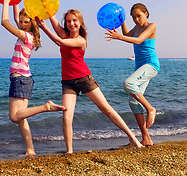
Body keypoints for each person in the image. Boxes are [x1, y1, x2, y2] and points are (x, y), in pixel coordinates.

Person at [36, 9, 144, 153]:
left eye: (75, 20)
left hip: (84, 79)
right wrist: (46, 5)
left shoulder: (81, 40)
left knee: (107, 109)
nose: (71, 23)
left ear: (80, 23)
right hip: (68, 82)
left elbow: (59, 41)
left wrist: (43, 28)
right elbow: (53, 20)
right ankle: (69, 151)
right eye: (68, 21)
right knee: (67, 117)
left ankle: (133, 138)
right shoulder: (65, 34)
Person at [1, 0, 66, 157]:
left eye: (25, 22)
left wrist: (6, 3)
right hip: (24, 78)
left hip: (20, 78)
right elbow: (15, 18)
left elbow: (5, 22)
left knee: (14, 117)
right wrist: (16, 1)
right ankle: (30, 150)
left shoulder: (27, 37)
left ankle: (46, 107)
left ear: (31, 23)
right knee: (21, 118)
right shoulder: (29, 35)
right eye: (21, 22)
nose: (21, 24)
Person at [105, 3, 160, 146]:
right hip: (140, 67)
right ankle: (146, 138)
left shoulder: (151, 26)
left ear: (146, 14)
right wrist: (122, 20)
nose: (136, 20)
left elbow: (138, 40)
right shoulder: (136, 28)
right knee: (133, 102)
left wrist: (118, 37)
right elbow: (126, 35)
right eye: (133, 17)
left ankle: (150, 108)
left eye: (139, 16)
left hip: (151, 65)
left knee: (128, 84)